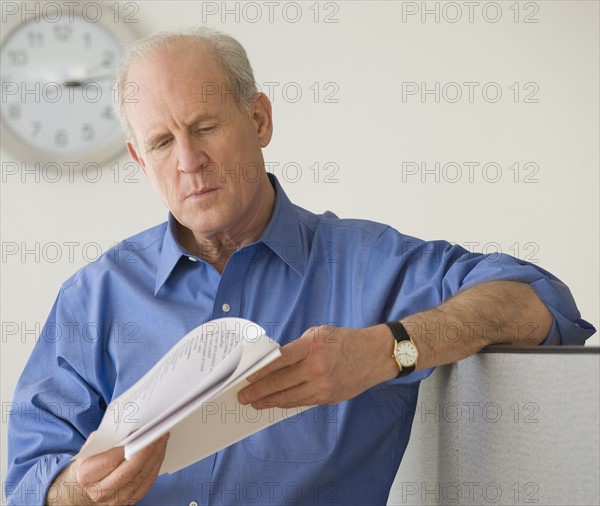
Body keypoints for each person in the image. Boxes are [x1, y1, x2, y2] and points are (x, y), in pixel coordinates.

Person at [5, 27, 595, 506]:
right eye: (161, 143)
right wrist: (77, 493)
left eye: (206, 126)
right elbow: (29, 484)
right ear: (139, 158)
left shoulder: (369, 266)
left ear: (259, 120)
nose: (188, 161)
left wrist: (388, 350)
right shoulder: (95, 296)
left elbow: (541, 303)